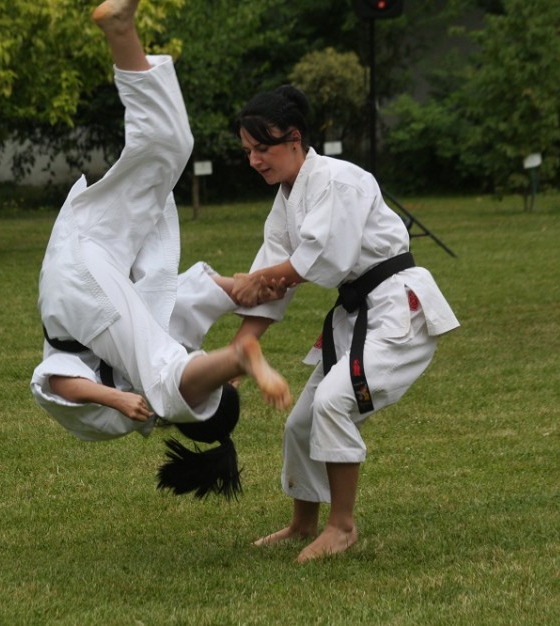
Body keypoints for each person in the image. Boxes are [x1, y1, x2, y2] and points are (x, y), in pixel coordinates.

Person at [31, 0, 292, 498]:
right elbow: (189, 294)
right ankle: (120, 28)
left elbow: (54, 382)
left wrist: (115, 399)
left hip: (78, 297)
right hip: (92, 248)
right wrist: (245, 288)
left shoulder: (134, 410)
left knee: (163, 377)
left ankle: (241, 357)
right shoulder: (168, 352)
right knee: (171, 146)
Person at [230, 85, 460, 562]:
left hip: (397, 311)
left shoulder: (339, 180)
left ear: (294, 138)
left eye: (262, 148)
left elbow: (320, 264)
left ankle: (343, 526)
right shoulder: (288, 196)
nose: (254, 160)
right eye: (247, 151)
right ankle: (303, 523)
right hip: (358, 316)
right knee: (300, 422)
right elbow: (275, 281)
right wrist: (239, 351)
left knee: (334, 402)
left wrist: (252, 280)